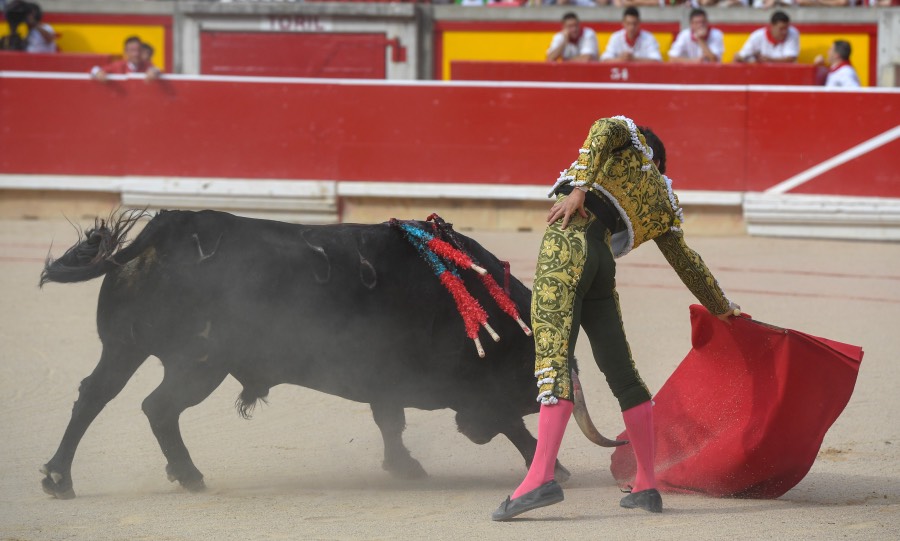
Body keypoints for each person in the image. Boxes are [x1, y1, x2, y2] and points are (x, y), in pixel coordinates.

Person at [491, 116, 739, 521]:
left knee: (552, 358)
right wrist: (721, 306)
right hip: (602, 264)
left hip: (568, 244)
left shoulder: (627, 141)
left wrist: (579, 190)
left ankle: (539, 479)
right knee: (623, 373)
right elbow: (686, 261)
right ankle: (646, 484)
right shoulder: (661, 199)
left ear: (645, 149)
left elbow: (605, 127)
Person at [734, 11, 799, 64]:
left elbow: (791, 58)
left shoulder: (792, 32)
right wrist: (752, 60)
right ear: (772, 26)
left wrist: (769, 60)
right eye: (781, 29)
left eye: (786, 28)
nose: (784, 32)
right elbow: (739, 56)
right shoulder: (757, 36)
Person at [90, 36, 160, 81]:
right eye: (132, 50)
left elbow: (156, 69)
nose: (136, 54)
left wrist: (154, 71)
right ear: (125, 51)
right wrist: (98, 73)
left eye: (138, 50)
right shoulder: (118, 65)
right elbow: (94, 69)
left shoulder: (147, 65)